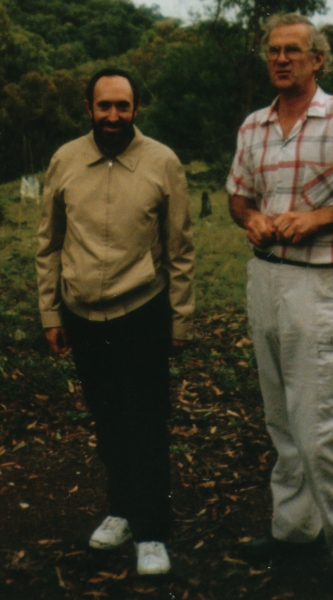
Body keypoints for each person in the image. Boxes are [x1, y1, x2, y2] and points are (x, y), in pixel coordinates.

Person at [227, 13, 333, 597]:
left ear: (318, 59)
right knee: (281, 415)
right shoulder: (254, 126)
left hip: (322, 283)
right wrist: (251, 219)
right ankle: (295, 530)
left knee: (322, 423)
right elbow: (238, 197)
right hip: (266, 279)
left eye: (293, 50)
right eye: (273, 51)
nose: (281, 59)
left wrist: (318, 218)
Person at [36, 68, 195, 576]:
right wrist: (50, 312)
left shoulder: (162, 161)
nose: (112, 115)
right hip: (82, 314)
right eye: (103, 106)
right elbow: (48, 243)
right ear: (88, 108)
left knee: (145, 421)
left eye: (122, 106)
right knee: (107, 420)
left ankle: (152, 531)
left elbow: (180, 249)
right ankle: (122, 510)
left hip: (141, 311)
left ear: (135, 109)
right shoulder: (65, 160)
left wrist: (180, 320)